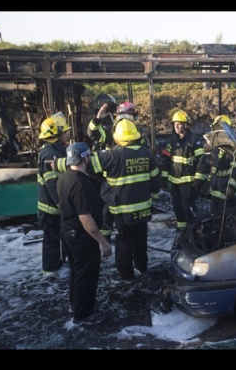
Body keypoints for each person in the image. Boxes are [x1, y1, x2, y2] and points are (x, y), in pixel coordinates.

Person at [85, 119, 160, 283]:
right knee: (141, 238)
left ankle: (126, 275)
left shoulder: (114, 155)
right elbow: (156, 181)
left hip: (123, 210)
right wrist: (153, 198)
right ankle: (141, 267)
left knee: (124, 240)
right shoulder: (147, 153)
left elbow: (86, 164)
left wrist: (58, 164)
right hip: (144, 208)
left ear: (117, 137)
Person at [56, 142, 112, 326]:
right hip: (81, 236)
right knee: (86, 274)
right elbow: (85, 218)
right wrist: (102, 241)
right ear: (85, 158)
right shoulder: (81, 183)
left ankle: (75, 304)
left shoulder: (64, 178)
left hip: (67, 233)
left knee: (77, 271)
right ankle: (83, 314)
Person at [87, 100, 141, 244]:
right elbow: (92, 133)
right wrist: (98, 118)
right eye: (123, 115)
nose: (126, 119)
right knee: (108, 212)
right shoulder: (112, 133)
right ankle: (105, 240)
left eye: (129, 115)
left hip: (132, 182)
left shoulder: (138, 135)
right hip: (113, 182)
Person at [160, 108, 208, 231]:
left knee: (188, 208)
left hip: (188, 182)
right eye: (175, 124)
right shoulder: (171, 141)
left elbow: (201, 160)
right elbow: (166, 161)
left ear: (186, 125)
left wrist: (199, 178)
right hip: (175, 183)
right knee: (178, 208)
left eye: (179, 123)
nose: (176, 126)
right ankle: (182, 232)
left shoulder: (194, 139)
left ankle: (193, 231)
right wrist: (164, 179)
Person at [37, 112, 72, 275]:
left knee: (57, 239)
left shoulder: (54, 150)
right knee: (52, 240)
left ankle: (57, 264)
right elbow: (54, 186)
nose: (67, 134)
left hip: (53, 208)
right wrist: (64, 206)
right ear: (55, 135)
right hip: (51, 210)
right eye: (64, 132)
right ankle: (50, 270)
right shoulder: (51, 154)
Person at [208, 115, 236, 214]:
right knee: (215, 220)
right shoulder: (218, 149)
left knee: (230, 222)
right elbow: (214, 170)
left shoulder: (234, 149)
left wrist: (232, 187)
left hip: (230, 197)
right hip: (216, 194)